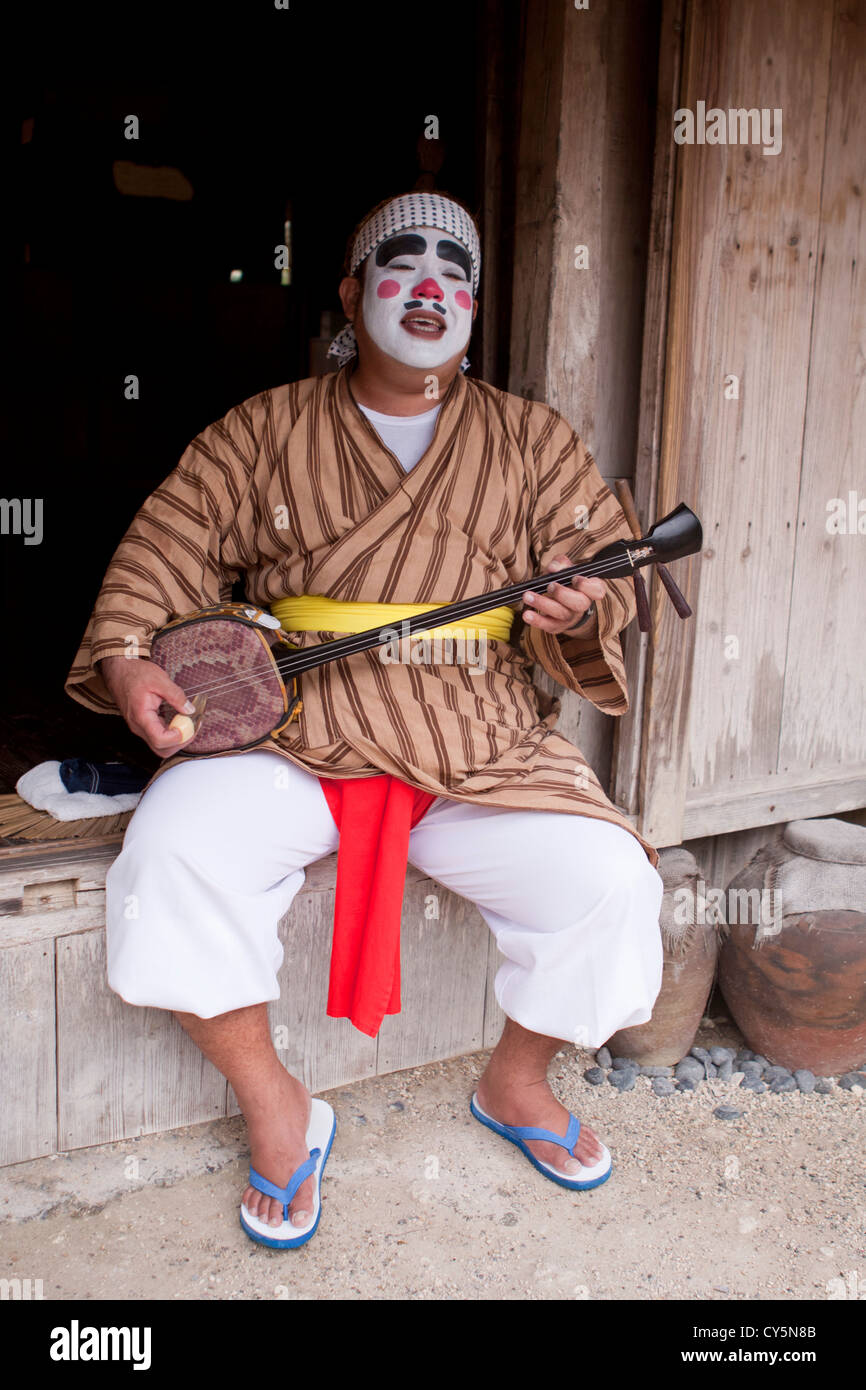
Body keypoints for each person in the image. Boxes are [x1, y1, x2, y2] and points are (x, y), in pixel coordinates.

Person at [65, 189, 664, 1248]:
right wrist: (124, 661)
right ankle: (278, 1108)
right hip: (299, 722)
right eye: (402, 263)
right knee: (168, 856)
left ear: (475, 305)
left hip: (473, 732)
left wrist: (585, 602)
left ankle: (515, 1084)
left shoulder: (530, 439)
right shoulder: (265, 427)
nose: (431, 286)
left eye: (456, 271)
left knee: (609, 880)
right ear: (349, 293)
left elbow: (606, 571)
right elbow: (165, 547)